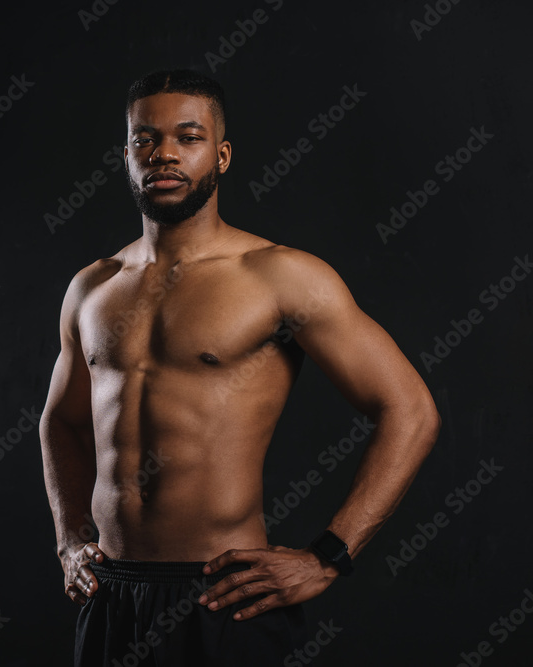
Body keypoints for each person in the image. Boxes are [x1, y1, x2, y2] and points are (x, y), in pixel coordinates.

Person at [38, 69, 441, 665]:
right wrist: (70, 538)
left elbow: (410, 410)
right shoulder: (93, 287)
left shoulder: (280, 276)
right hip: (111, 593)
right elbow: (60, 423)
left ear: (221, 155)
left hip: (222, 597)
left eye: (188, 136)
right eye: (145, 139)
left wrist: (328, 557)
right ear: (127, 156)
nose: (165, 153)